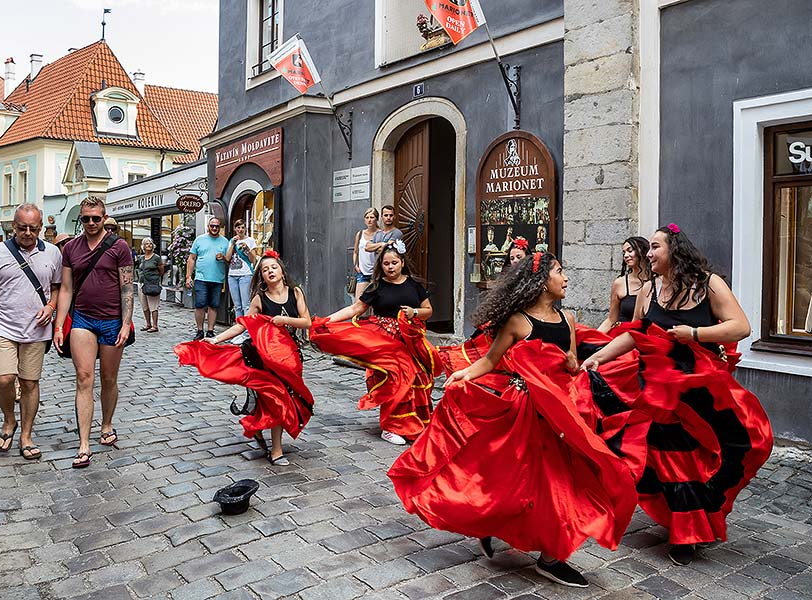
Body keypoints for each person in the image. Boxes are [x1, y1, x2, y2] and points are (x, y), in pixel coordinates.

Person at [389, 252, 637, 588]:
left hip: (562, 412)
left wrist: (571, 363)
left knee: (560, 480)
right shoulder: (518, 321)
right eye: (560, 272)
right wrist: (462, 375)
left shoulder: (568, 317)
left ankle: (544, 553)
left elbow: (573, 364)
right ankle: (522, 540)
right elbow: (491, 361)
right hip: (526, 412)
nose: (566, 278)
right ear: (540, 281)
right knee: (518, 480)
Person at [581, 224, 773, 566]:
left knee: (744, 442)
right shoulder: (649, 289)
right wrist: (600, 355)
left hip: (700, 390)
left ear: (675, 250)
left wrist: (694, 333)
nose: (649, 253)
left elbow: (740, 326)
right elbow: (637, 333)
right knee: (672, 460)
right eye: (649, 248)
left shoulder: (708, 284)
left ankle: (705, 509)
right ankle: (686, 534)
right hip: (656, 390)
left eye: (655, 247)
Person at [175, 251, 313, 466]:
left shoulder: (295, 292)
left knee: (287, 399)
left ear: (282, 271)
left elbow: (307, 322)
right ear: (262, 276)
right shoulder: (259, 299)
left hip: (290, 356)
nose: (270, 271)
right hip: (265, 357)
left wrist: (284, 320)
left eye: (273, 267)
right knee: (277, 399)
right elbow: (243, 324)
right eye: (265, 270)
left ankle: (257, 426)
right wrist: (217, 339)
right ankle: (276, 450)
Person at [312, 241, 440, 445]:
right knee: (397, 379)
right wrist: (327, 320)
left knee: (415, 380)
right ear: (381, 266)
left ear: (402, 262)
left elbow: (428, 311)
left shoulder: (414, 285)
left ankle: (411, 422)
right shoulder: (377, 286)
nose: (390, 267)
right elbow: (355, 309)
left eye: (394, 263)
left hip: (410, 341)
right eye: (386, 264)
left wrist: (414, 312)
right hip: (383, 343)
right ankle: (391, 427)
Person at [0, 204, 62, 460]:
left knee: (30, 382)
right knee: (4, 379)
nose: (28, 233)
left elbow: (57, 288)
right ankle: (9, 420)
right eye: (22, 228)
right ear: (13, 226)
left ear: (41, 228)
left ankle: (26, 435)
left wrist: (52, 306)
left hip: (37, 328)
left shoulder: (53, 253)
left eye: (33, 228)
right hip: (2, 326)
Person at [53, 196, 134, 469]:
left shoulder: (119, 247)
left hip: (112, 320)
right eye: (86, 218)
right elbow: (66, 289)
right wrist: (58, 325)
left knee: (109, 379)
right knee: (83, 378)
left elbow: (127, 288)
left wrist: (125, 323)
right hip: (83, 320)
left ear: (104, 217)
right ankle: (84, 444)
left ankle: (107, 423)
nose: (90, 223)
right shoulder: (71, 249)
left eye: (95, 218)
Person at [186, 217, 230, 341]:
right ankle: (200, 330)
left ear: (220, 227)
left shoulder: (225, 242)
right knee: (199, 305)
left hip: (217, 279)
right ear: (208, 227)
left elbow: (230, 260)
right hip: (201, 278)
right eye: (212, 226)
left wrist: (224, 258)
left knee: (213, 305)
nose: (214, 228)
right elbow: (192, 258)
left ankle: (210, 330)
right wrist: (188, 276)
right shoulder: (199, 240)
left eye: (217, 226)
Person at [598, 236, 650, 333]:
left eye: (630, 251)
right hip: (622, 335)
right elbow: (611, 319)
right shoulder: (620, 283)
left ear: (643, 251)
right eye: (624, 252)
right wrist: (593, 337)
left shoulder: (658, 281)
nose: (626, 255)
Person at [224, 218, 258, 335]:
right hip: (232, 275)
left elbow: (253, 260)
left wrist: (247, 250)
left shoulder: (250, 240)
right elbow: (227, 258)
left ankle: (247, 332)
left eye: (242, 227)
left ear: (245, 229)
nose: (240, 230)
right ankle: (238, 331)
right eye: (238, 227)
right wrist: (232, 244)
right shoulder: (231, 241)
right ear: (235, 229)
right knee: (237, 306)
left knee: (246, 305)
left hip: (246, 274)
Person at [136, 238, 164, 332]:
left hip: (152, 283)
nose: (149, 245)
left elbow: (161, 270)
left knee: (153, 306)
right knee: (144, 305)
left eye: (150, 244)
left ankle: (155, 326)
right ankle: (148, 324)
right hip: (142, 283)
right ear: (143, 246)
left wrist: (155, 278)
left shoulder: (156, 258)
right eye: (146, 244)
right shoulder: (141, 258)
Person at [352, 208, 380, 301]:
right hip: (362, 273)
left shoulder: (380, 234)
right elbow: (355, 251)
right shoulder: (360, 234)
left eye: (372, 217)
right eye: (367, 217)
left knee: (375, 303)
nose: (369, 220)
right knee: (358, 302)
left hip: (376, 274)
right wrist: (356, 265)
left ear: (376, 219)